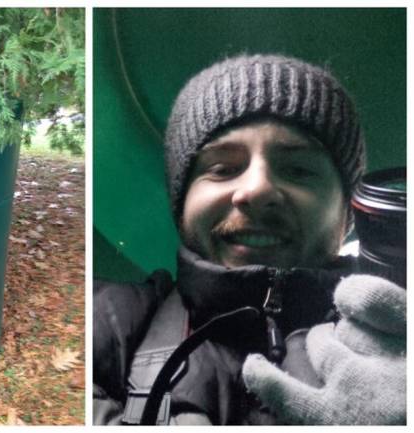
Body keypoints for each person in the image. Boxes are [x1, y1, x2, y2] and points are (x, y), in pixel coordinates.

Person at [93, 54, 406, 425]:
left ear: (347, 213)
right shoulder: (108, 320)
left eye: (299, 170)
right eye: (223, 168)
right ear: (182, 204)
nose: (256, 189)